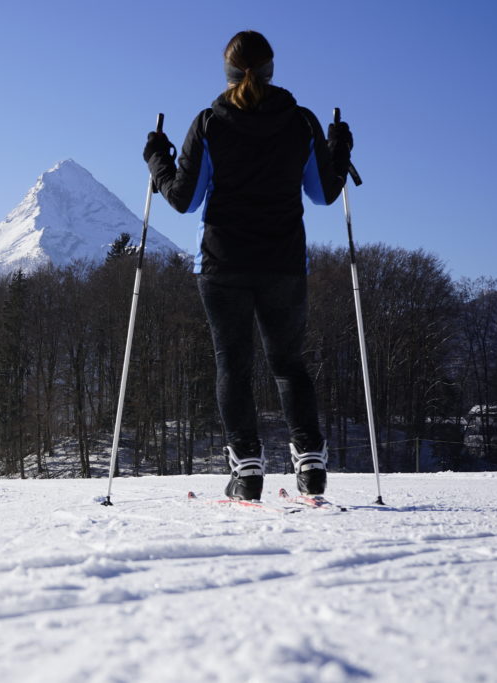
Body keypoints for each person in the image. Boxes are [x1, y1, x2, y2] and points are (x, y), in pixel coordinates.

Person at [142, 30, 353, 501]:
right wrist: (339, 149)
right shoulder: (300, 123)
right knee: (288, 363)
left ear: (229, 72)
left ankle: (248, 468)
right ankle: (311, 461)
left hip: (223, 264)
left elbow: (183, 200)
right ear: (272, 69)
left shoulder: (210, 124)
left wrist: (158, 159)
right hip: (283, 263)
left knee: (232, 365)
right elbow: (323, 194)